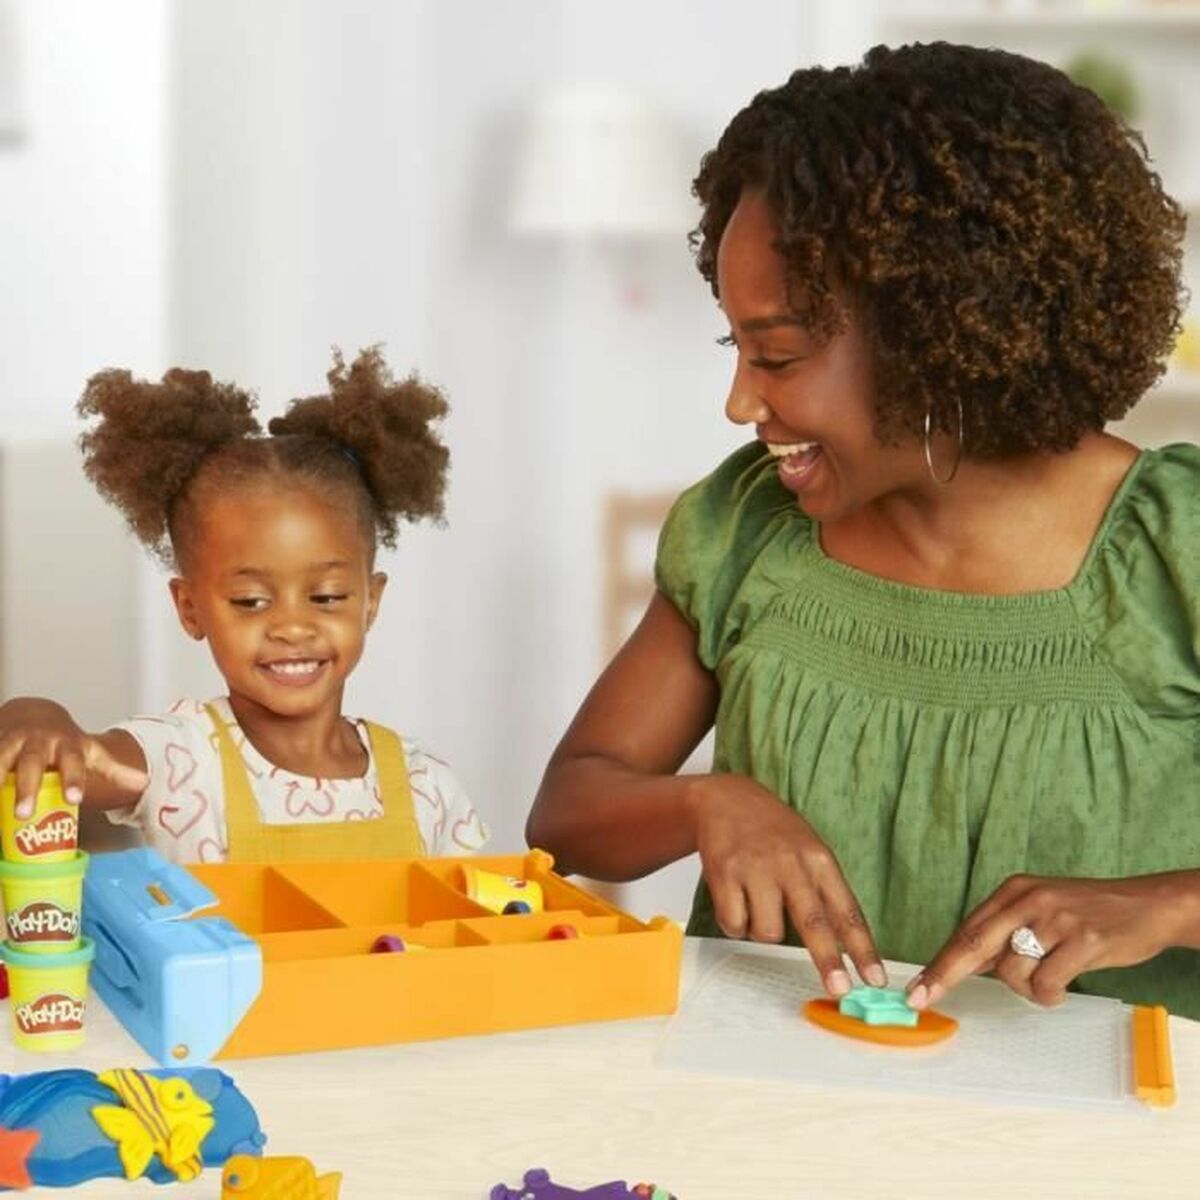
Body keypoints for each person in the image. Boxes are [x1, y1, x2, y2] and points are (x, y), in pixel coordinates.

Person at [528, 42, 1199, 1018]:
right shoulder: (747, 532)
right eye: (735, 345)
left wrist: (1168, 903)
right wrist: (709, 801)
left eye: (777, 355)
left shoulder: (1174, 550)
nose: (739, 402)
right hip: (770, 1096)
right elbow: (569, 812)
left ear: (940, 337)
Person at [0, 347, 487, 864]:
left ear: (371, 601)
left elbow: (491, 908)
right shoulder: (180, 761)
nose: (292, 627)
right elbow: (82, 758)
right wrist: (34, 714)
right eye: (251, 601)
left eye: (326, 596)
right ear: (190, 608)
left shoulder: (426, 786)